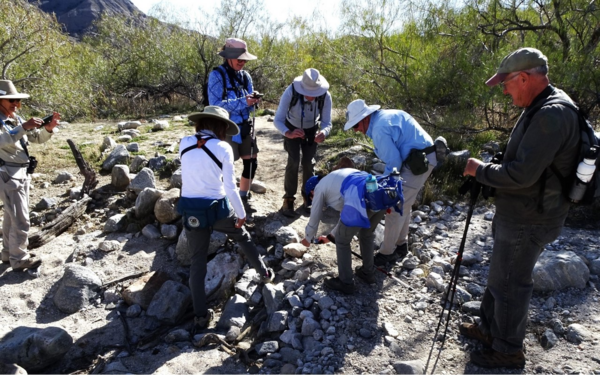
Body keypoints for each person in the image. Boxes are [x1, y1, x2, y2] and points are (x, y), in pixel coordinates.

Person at [460, 48, 580, 368]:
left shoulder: (552, 114)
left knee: (510, 281)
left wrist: (479, 170)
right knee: (501, 275)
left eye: (506, 83)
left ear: (524, 78)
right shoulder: (542, 104)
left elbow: (522, 175)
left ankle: (508, 349)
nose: (504, 90)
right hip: (522, 210)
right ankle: (489, 330)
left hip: (530, 217)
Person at [178, 106, 273, 332]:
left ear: (200, 123)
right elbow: (230, 187)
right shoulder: (223, 147)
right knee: (242, 237)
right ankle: (265, 274)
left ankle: (201, 316)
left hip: (192, 211)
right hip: (218, 209)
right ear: (222, 127)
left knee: (197, 262)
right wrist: (241, 214)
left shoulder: (184, 142)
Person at [343, 99, 436, 266]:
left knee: (394, 206)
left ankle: (387, 253)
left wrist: (382, 186)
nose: (357, 131)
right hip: (423, 158)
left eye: (356, 126)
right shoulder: (386, 116)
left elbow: (394, 163)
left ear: (364, 118)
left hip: (418, 162)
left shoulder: (379, 129)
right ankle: (401, 245)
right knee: (404, 204)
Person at [0, 80, 59, 272]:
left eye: (17, 100)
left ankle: (9, 254)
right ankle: (20, 258)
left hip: (21, 172)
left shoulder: (15, 119)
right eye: (12, 100)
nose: (16, 104)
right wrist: (24, 127)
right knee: (21, 218)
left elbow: (34, 139)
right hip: (8, 173)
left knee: (11, 215)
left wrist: (47, 129)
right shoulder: (14, 122)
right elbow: (4, 140)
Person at [300, 168, 387, 294]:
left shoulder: (320, 188)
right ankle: (367, 273)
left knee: (342, 241)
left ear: (312, 191)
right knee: (366, 234)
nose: (313, 200)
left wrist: (308, 238)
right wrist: (330, 236)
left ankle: (345, 282)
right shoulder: (335, 180)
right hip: (379, 197)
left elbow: (315, 214)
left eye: (311, 198)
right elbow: (345, 215)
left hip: (362, 200)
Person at [207, 37, 261, 213]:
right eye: (239, 58)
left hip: (245, 127)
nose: (242, 62)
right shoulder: (217, 75)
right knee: (224, 166)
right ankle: (222, 199)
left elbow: (248, 102)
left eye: (244, 58)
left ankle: (243, 197)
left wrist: (253, 102)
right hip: (225, 128)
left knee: (251, 163)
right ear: (228, 56)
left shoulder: (246, 77)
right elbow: (215, 105)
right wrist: (243, 102)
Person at [273, 68, 332, 216]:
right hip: (291, 126)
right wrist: (289, 133)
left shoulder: (325, 96)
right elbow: (278, 119)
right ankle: (289, 198)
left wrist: (323, 133)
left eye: (315, 92)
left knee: (308, 162)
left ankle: (308, 197)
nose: (312, 96)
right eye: (309, 92)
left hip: (312, 130)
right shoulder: (291, 92)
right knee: (293, 160)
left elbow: (327, 122)